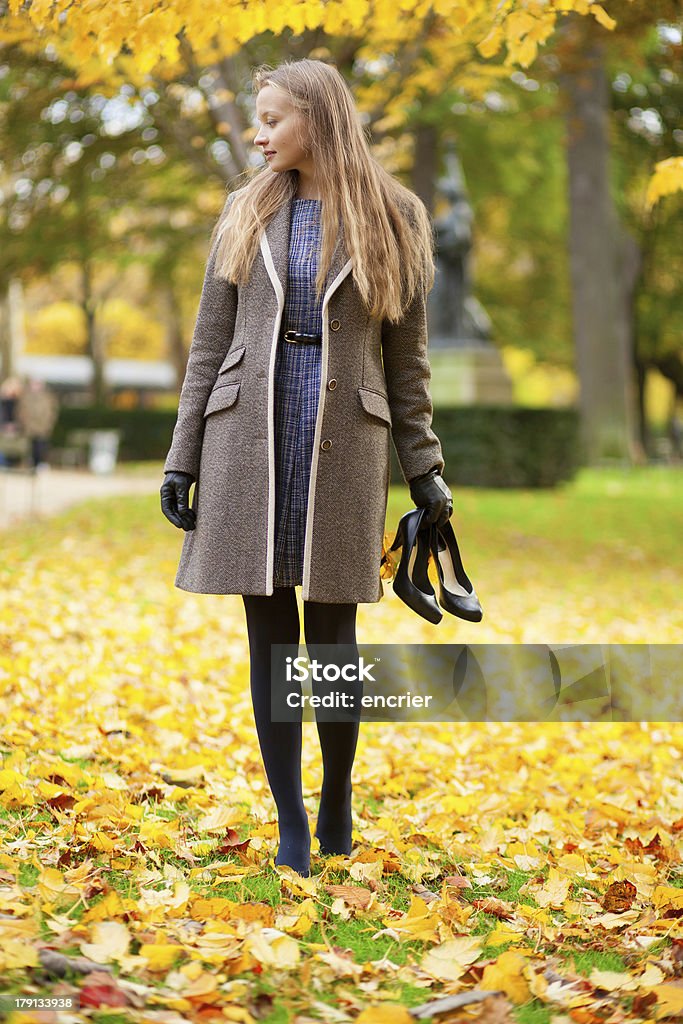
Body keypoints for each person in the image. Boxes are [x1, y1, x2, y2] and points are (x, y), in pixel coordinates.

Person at [160, 58, 453, 878]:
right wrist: (183, 458)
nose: (257, 134)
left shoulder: (394, 215)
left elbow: (407, 363)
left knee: (330, 637)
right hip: (246, 440)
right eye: (258, 119)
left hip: (343, 446)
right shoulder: (241, 211)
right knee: (268, 638)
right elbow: (207, 346)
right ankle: (290, 817)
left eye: (271, 119)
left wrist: (425, 470)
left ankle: (334, 796)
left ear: (317, 119)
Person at [16, 376, 59, 471]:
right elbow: (20, 411)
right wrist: (24, 423)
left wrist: (48, 424)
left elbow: (52, 411)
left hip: (42, 426)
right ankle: (32, 464)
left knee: (41, 446)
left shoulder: (48, 397)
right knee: (31, 446)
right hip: (30, 427)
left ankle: (40, 463)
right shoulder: (26, 396)